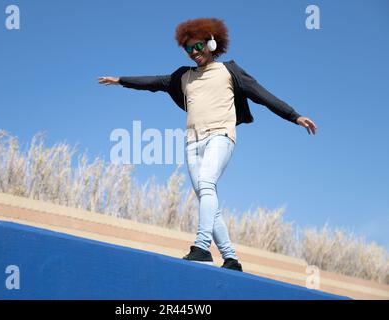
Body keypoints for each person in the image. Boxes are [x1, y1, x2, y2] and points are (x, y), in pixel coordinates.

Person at [98, 18, 317, 272]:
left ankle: (202, 247)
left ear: (212, 43)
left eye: (198, 46)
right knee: (206, 196)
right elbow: (153, 83)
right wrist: (120, 80)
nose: (195, 53)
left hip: (220, 136)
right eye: (189, 49)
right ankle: (231, 258)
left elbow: (263, 95)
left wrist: (294, 116)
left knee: (206, 184)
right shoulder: (184, 77)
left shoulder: (229, 71)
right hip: (192, 143)